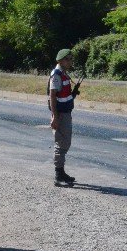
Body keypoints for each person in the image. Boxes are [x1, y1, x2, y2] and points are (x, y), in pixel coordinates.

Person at [48, 49, 80, 185]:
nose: (71, 61)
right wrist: (55, 117)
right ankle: (58, 174)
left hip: (65, 112)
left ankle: (61, 173)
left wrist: (73, 94)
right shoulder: (56, 75)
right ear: (61, 60)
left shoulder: (63, 74)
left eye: (71, 59)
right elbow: (52, 96)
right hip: (60, 114)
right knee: (61, 143)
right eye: (68, 59)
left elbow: (63, 96)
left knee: (65, 142)